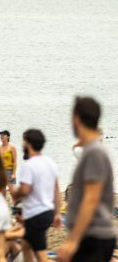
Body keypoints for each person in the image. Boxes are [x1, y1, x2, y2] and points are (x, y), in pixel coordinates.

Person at [58, 97, 116, 262]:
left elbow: (91, 198)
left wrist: (72, 241)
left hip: (93, 237)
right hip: (91, 236)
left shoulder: (94, 152)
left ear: (76, 118)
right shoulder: (93, 150)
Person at [11, 129, 61, 262]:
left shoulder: (29, 165)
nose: (22, 144)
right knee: (27, 246)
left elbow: (25, 190)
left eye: (23, 141)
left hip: (35, 215)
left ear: (28, 144)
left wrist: (15, 192)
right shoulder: (51, 163)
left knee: (41, 255)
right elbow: (56, 191)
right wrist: (56, 213)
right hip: (47, 212)